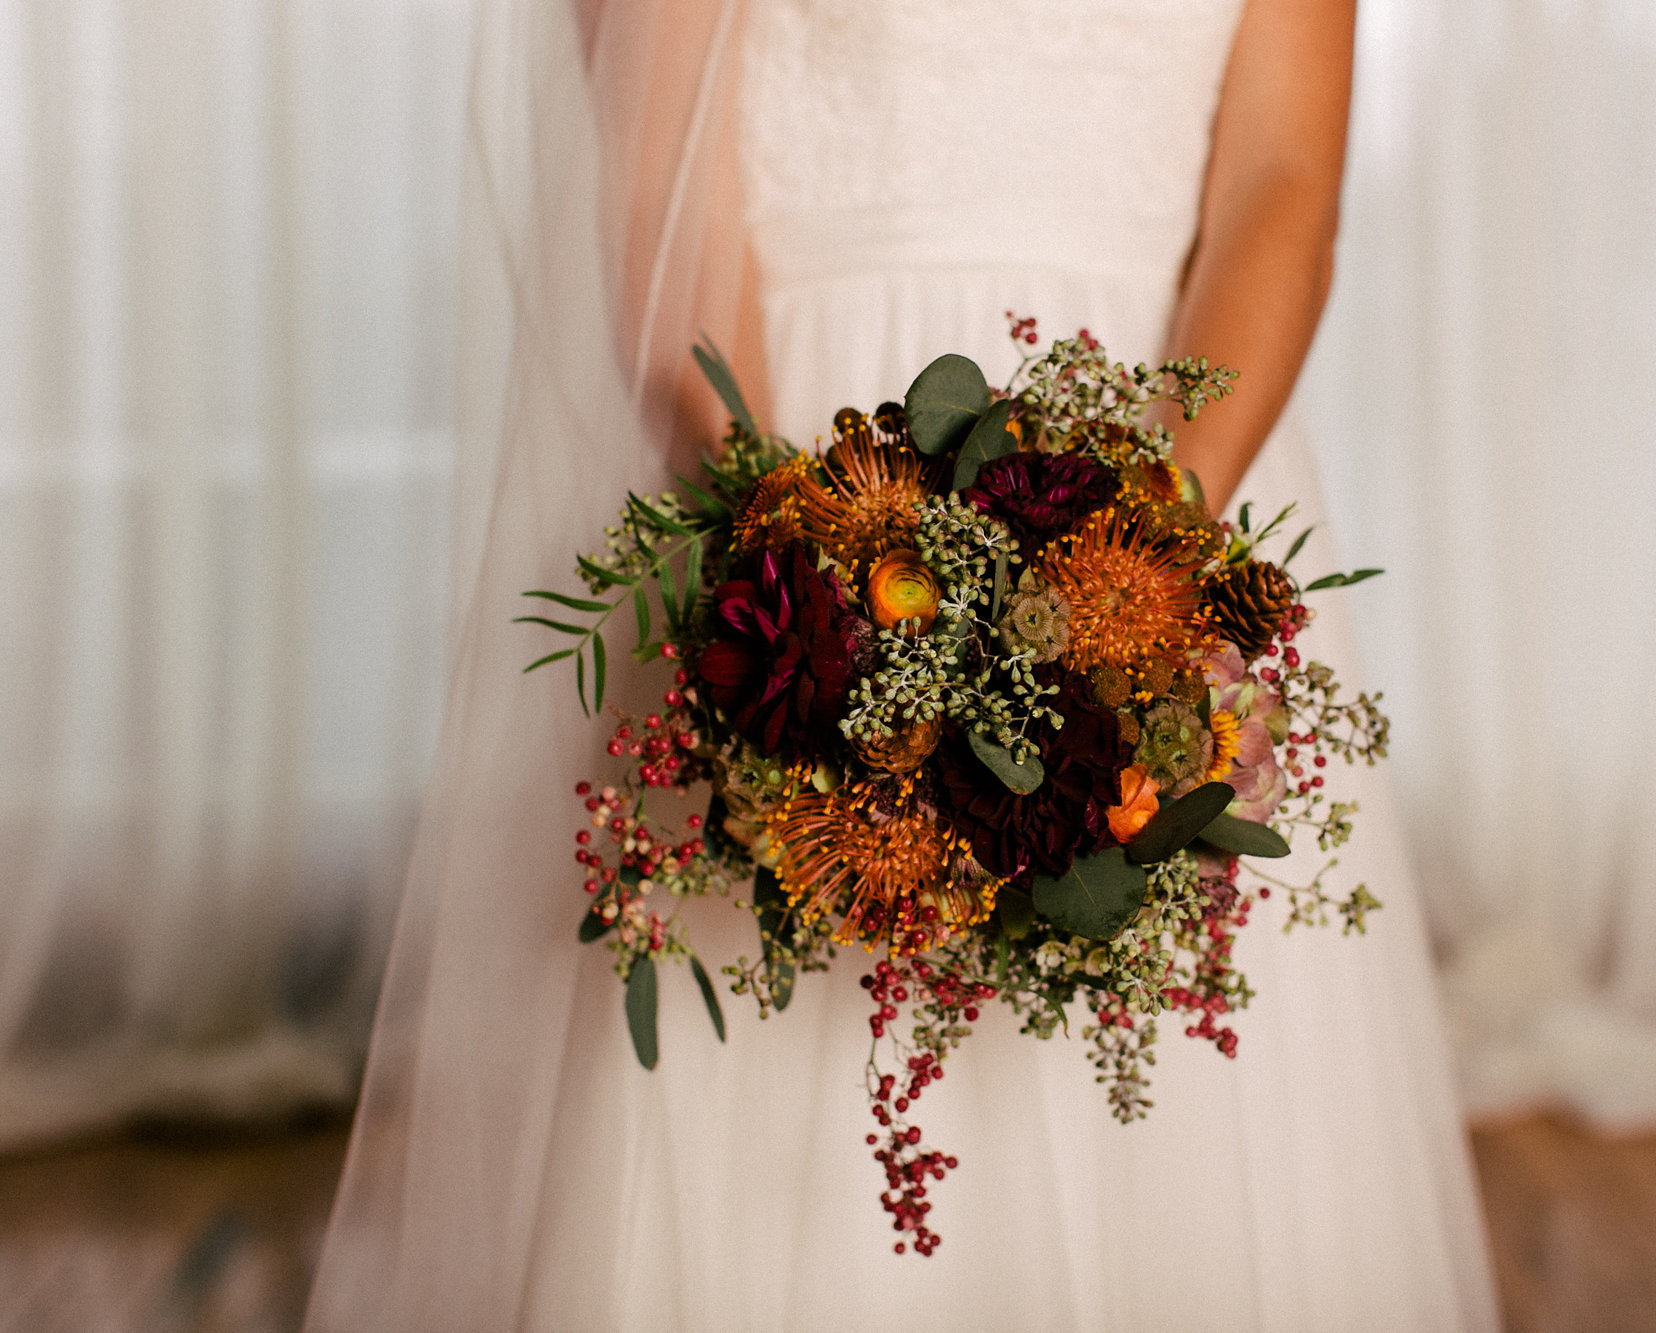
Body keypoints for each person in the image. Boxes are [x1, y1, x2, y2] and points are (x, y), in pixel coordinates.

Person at [307, 0, 1500, 1327]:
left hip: (1173, 468)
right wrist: (803, 576)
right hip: (809, 484)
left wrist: (1134, 563)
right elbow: (663, 193)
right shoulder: (799, 550)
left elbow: (1285, 178)